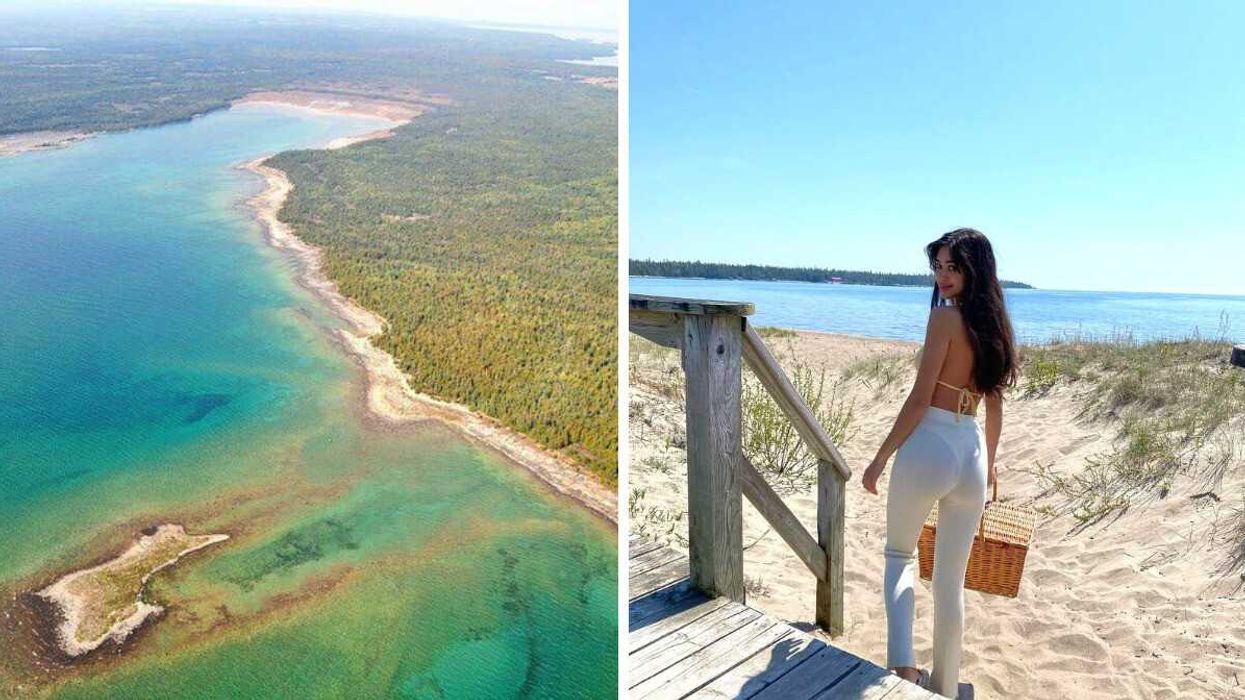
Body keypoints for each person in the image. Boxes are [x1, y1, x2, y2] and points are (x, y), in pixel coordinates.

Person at [860, 228, 1018, 698]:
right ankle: (947, 686)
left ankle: (904, 669)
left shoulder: (943, 319)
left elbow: (919, 398)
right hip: (970, 452)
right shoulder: (995, 327)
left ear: (974, 270)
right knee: (950, 582)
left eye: (953, 267)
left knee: (898, 555)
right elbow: (994, 405)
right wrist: (989, 466)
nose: (943, 276)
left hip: (930, 442)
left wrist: (879, 459)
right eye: (939, 267)